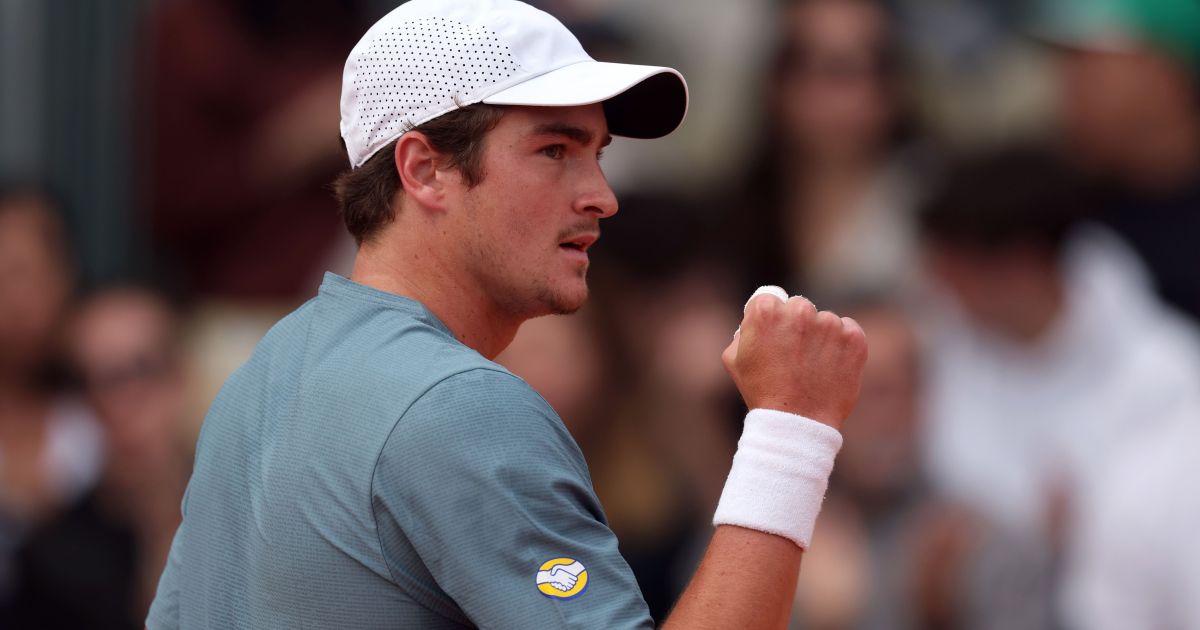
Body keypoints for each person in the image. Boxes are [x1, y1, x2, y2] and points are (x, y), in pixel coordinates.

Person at [145, 1, 867, 628]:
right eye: (554, 151)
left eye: (597, 154)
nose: (602, 196)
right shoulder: (459, 403)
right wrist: (789, 433)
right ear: (424, 169)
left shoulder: (261, 379)